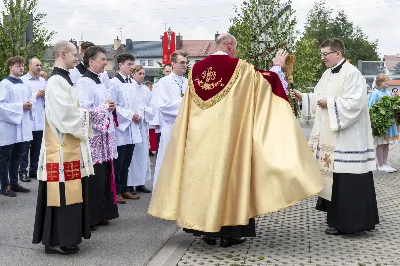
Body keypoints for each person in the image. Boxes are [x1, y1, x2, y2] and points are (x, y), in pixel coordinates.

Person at [148, 33, 325, 247]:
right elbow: (267, 83)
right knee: (229, 178)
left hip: (199, 140)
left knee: (202, 178)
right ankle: (229, 233)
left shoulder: (195, 70)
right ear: (230, 45)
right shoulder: (240, 68)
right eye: (235, 47)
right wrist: (277, 66)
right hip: (229, 139)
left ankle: (206, 231)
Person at [291, 38, 379, 235]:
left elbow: (355, 104)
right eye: (322, 54)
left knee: (348, 182)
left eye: (326, 54)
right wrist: (304, 97)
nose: (323, 58)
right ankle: (336, 220)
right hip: (332, 140)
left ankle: (351, 224)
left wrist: (329, 102)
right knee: (335, 180)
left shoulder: (352, 73)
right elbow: (319, 97)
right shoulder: (327, 74)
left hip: (347, 139)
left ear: (338, 53)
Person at [32, 40, 94, 255]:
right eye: (74, 54)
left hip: (69, 148)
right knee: (59, 196)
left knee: (70, 195)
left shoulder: (65, 80)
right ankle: (54, 240)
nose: (77, 58)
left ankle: (68, 237)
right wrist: (88, 115)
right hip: (58, 151)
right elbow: (64, 115)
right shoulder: (55, 81)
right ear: (62, 54)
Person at [152, 52, 189, 188]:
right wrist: (186, 105)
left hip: (186, 127)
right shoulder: (163, 82)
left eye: (186, 62)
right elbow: (164, 105)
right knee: (168, 161)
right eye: (182, 63)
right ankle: (163, 192)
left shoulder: (188, 82)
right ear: (173, 64)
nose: (185, 65)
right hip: (171, 127)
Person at [110, 53, 142, 203]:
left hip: (132, 127)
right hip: (120, 127)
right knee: (118, 162)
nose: (132, 67)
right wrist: (130, 115)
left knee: (127, 161)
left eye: (132, 64)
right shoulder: (114, 83)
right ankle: (116, 191)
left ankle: (125, 189)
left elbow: (137, 103)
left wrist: (138, 114)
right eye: (129, 64)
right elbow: (113, 105)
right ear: (121, 65)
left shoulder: (132, 83)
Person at [0, 56, 33, 197]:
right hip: (8, 126)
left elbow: (31, 99)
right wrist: (21, 106)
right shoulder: (4, 84)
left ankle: (14, 182)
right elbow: (1, 104)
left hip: (22, 126)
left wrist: (31, 103)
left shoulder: (25, 84)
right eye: (18, 65)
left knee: (17, 156)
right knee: (5, 158)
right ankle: (4, 185)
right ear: (10, 67)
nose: (21, 68)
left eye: (22, 65)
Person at [19, 58, 47, 182]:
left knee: (37, 147)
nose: (39, 67)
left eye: (40, 65)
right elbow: (22, 97)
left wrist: (45, 95)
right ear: (29, 66)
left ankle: (34, 170)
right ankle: (22, 171)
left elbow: (49, 98)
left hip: (40, 117)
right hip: (28, 118)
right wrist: (37, 95)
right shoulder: (23, 80)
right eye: (36, 65)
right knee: (25, 148)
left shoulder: (43, 81)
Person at [127, 65, 154, 194]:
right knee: (132, 156)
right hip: (131, 124)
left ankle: (140, 183)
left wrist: (142, 114)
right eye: (140, 73)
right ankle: (130, 184)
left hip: (142, 125)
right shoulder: (129, 88)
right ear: (133, 74)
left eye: (144, 73)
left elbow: (151, 107)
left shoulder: (146, 90)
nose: (142, 76)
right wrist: (134, 114)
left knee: (142, 155)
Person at [368, 74, 398, 172]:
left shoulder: (389, 94)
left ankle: (385, 162)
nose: (387, 83)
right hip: (381, 124)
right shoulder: (375, 93)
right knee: (380, 144)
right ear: (379, 83)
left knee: (386, 144)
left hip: (389, 123)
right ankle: (380, 164)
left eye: (388, 81)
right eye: (386, 81)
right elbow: (371, 107)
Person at [149, 63, 172, 155]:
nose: (169, 73)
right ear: (163, 72)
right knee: (161, 144)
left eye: (171, 71)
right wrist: (156, 121)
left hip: (173, 119)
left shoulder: (176, 84)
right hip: (162, 119)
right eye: (167, 71)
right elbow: (155, 103)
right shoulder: (158, 85)